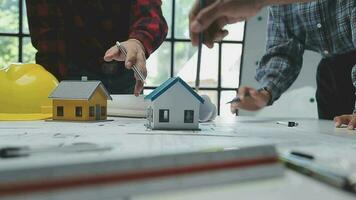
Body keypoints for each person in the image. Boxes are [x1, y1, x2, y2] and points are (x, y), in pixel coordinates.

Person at [190, 0, 356, 130]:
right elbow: (283, 48)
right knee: (334, 143)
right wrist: (266, 91)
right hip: (332, 76)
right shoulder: (280, 6)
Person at [26, 0, 168, 96]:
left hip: (124, 66)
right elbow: (46, 34)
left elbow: (150, 16)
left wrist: (137, 42)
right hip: (70, 69)